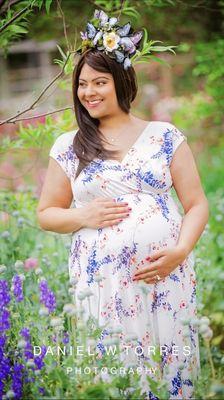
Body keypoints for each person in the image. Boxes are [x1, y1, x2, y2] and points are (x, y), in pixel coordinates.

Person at [37, 9, 209, 400]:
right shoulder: (68, 146)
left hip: (165, 277)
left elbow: (197, 204)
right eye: (83, 84)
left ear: (122, 82)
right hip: (103, 284)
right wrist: (82, 215)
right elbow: (47, 214)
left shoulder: (164, 136)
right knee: (115, 377)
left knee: (171, 372)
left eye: (100, 82)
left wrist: (180, 250)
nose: (89, 92)